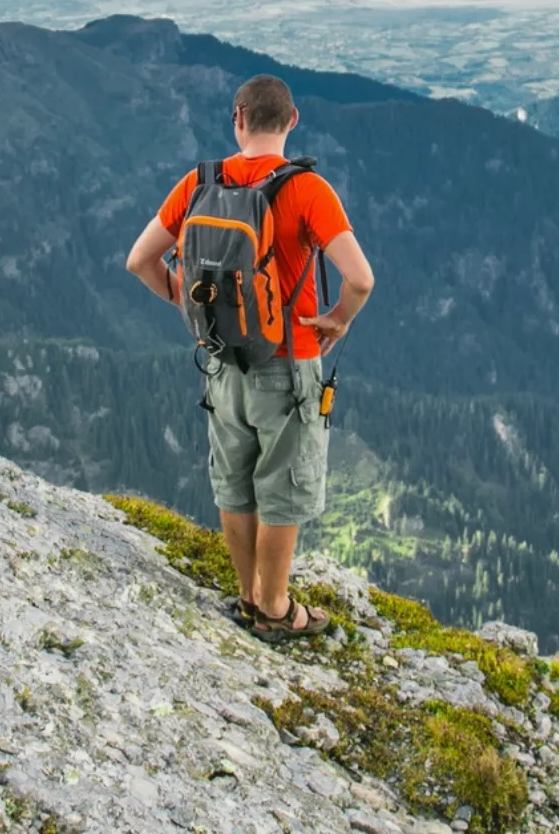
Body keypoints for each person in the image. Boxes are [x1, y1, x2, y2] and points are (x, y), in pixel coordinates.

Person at [126, 75, 374, 641]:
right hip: (288, 364)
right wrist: (339, 317)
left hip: (220, 361)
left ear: (237, 118)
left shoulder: (199, 182)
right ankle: (276, 608)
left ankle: (246, 596)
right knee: (282, 487)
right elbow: (360, 278)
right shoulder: (308, 190)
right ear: (293, 120)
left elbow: (140, 260)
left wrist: (191, 308)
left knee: (235, 482)